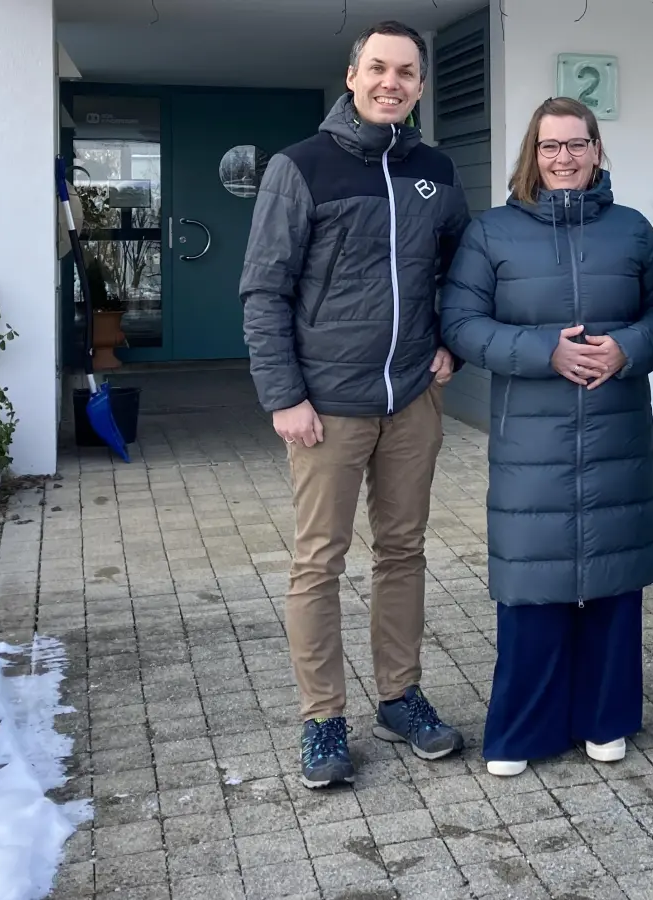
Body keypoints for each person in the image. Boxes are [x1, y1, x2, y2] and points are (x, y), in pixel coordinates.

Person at [240, 20, 473, 789]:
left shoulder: (434, 169)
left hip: (411, 399)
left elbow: (462, 270)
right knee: (319, 562)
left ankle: (399, 697)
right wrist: (284, 397)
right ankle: (323, 718)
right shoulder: (300, 167)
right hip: (326, 407)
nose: (391, 82)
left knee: (403, 552)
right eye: (378, 68)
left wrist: (453, 343)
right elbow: (265, 289)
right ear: (352, 75)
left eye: (405, 72)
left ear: (419, 85)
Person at [440, 97, 653, 778]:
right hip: (530, 439)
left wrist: (626, 348)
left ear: (598, 151)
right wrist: (546, 351)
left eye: (576, 144)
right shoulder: (491, 233)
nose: (563, 158)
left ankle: (607, 718)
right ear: (531, 157)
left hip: (616, 430)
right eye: (549, 147)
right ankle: (522, 727)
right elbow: (460, 322)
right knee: (532, 585)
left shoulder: (631, 230)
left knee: (612, 579)